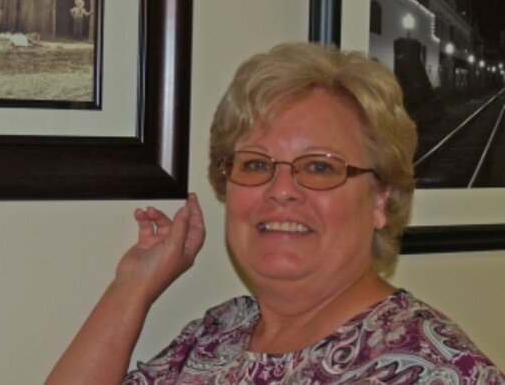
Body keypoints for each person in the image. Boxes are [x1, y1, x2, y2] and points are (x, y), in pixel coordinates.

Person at [44, 42, 504, 384]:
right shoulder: (217, 333)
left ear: (380, 199)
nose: (281, 190)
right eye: (257, 164)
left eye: (320, 167)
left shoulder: (439, 371)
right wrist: (133, 286)